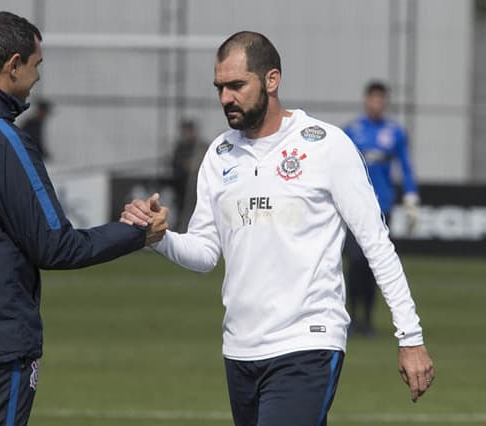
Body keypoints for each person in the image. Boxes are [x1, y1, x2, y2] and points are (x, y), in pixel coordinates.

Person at [122, 31, 434, 426]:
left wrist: (410, 338)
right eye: (219, 87)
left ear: (272, 80)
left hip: (308, 342)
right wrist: (159, 238)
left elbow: (376, 245)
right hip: (239, 349)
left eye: (236, 86)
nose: (225, 98)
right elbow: (204, 253)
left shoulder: (325, 145)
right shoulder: (219, 155)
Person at [0, 11, 167, 426]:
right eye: (36, 65)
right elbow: (55, 245)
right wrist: (136, 233)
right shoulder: (3, 141)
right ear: (13, 65)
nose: (38, 77)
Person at [343, 80, 419, 338]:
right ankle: (352, 316)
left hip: (381, 207)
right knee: (355, 262)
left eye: (381, 99)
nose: (377, 103)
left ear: (385, 102)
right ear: (366, 100)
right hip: (354, 208)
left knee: (374, 263)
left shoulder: (395, 132)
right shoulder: (351, 131)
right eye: (373, 98)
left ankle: (366, 318)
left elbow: (406, 166)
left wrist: (411, 197)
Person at [171, 119, 205, 231]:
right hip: (182, 188)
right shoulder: (181, 148)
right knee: (183, 213)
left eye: (190, 130)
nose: (188, 134)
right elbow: (176, 164)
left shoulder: (200, 147)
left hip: (196, 189)